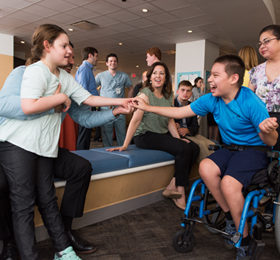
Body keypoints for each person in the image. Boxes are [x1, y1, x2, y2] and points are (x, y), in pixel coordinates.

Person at [0, 24, 132, 260]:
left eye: (71, 48)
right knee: (23, 201)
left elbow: (88, 105)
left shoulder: (64, 79)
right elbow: (15, 107)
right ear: (47, 47)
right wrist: (54, 102)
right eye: (65, 46)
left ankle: (64, 247)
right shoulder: (26, 72)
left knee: (48, 196)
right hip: (16, 144)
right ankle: (12, 246)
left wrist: (118, 106)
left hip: (44, 147)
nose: (70, 51)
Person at [133, 55, 278, 259]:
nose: (209, 79)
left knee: (229, 184)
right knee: (205, 167)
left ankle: (244, 239)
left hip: (254, 150)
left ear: (233, 78)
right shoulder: (211, 99)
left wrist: (266, 130)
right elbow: (179, 111)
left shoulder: (250, 101)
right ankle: (229, 217)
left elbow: (271, 141)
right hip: (228, 149)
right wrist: (146, 107)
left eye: (216, 75)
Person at [108, 62, 199, 210]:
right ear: (150, 77)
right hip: (145, 135)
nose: (158, 76)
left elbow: (170, 119)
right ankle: (180, 190)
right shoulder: (144, 94)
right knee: (184, 149)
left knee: (193, 147)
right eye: (155, 73)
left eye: (161, 73)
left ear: (165, 78)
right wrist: (125, 144)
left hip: (161, 134)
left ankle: (172, 184)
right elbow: (136, 120)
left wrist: (178, 138)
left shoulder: (168, 95)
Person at [95, 53, 133, 147]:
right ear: (107, 63)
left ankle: (123, 150)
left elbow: (131, 88)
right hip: (106, 110)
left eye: (115, 61)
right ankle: (107, 151)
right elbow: (93, 88)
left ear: (117, 63)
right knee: (106, 133)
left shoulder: (123, 76)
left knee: (121, 132)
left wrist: (128, 101)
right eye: (111, 61)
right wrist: (98, 101)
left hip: (120, 109)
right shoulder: (101, 76)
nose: (113, 63)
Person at [249, 24, 280, 114]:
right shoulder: (255, 71)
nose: (261, 46)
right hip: (260, 121)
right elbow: (249, 100)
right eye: (260, 44)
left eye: (266, 41)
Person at [75, 47, 99, 150]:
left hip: (89, 105)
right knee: (84, 136)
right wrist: (88, 106)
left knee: (86, 135)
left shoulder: (87, 69)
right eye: (96, 56)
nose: (97, 59)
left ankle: (84, 156)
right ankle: (82, 157)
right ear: (90, 55)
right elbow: (83, 89)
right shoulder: (84, 68)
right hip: (86, 107)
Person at [58, 41, 78, 151]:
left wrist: (114, 111)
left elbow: (90, 99)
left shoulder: (69, 82)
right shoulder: (24, 73)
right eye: (67, 56)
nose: (72, 62)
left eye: (73, 57)